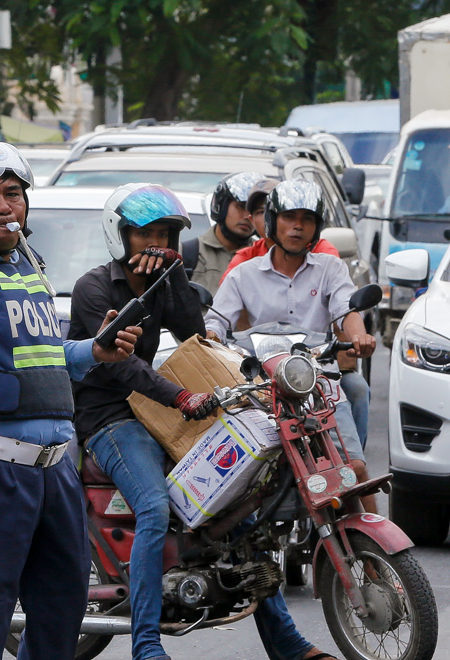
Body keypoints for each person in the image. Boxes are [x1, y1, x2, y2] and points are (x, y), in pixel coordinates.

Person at [70, 182, 337, 660]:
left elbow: (194, 334)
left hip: (157, 409)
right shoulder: (94, 289)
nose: (156, 245)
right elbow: (121, 364)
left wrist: (171, 278)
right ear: (121, 236)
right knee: (153, 507)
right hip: (109, 418)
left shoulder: (162, 278)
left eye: (166, 236)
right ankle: (147, 647)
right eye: (145, 235)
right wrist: (183, 397)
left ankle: (288, 644)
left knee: (238, 507)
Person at [0, 140, 141, 658]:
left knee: (62, 613)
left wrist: (93, 352)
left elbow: (42, 353)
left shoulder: (26, 263)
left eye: (11, 194)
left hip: (55, 470)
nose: (1, 206)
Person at [206, 179, 377, 512]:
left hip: (319, 382)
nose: (298, 226)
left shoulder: (331, 267)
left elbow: (347, 310)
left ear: (317, 227)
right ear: (272, 222)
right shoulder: (243, 273)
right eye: (289, 217)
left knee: (353, 470)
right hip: (258, 389)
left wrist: (358, 335)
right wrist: (211, 337)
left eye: (307, 219)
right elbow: (214, 322)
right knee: (238, 479)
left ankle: (378, 559)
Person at [184, 171, 261, 295]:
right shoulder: (187, 254)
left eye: (255, 211)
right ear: (222, 206)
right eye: (241, 206)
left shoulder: (265, 257)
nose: (248, 216)